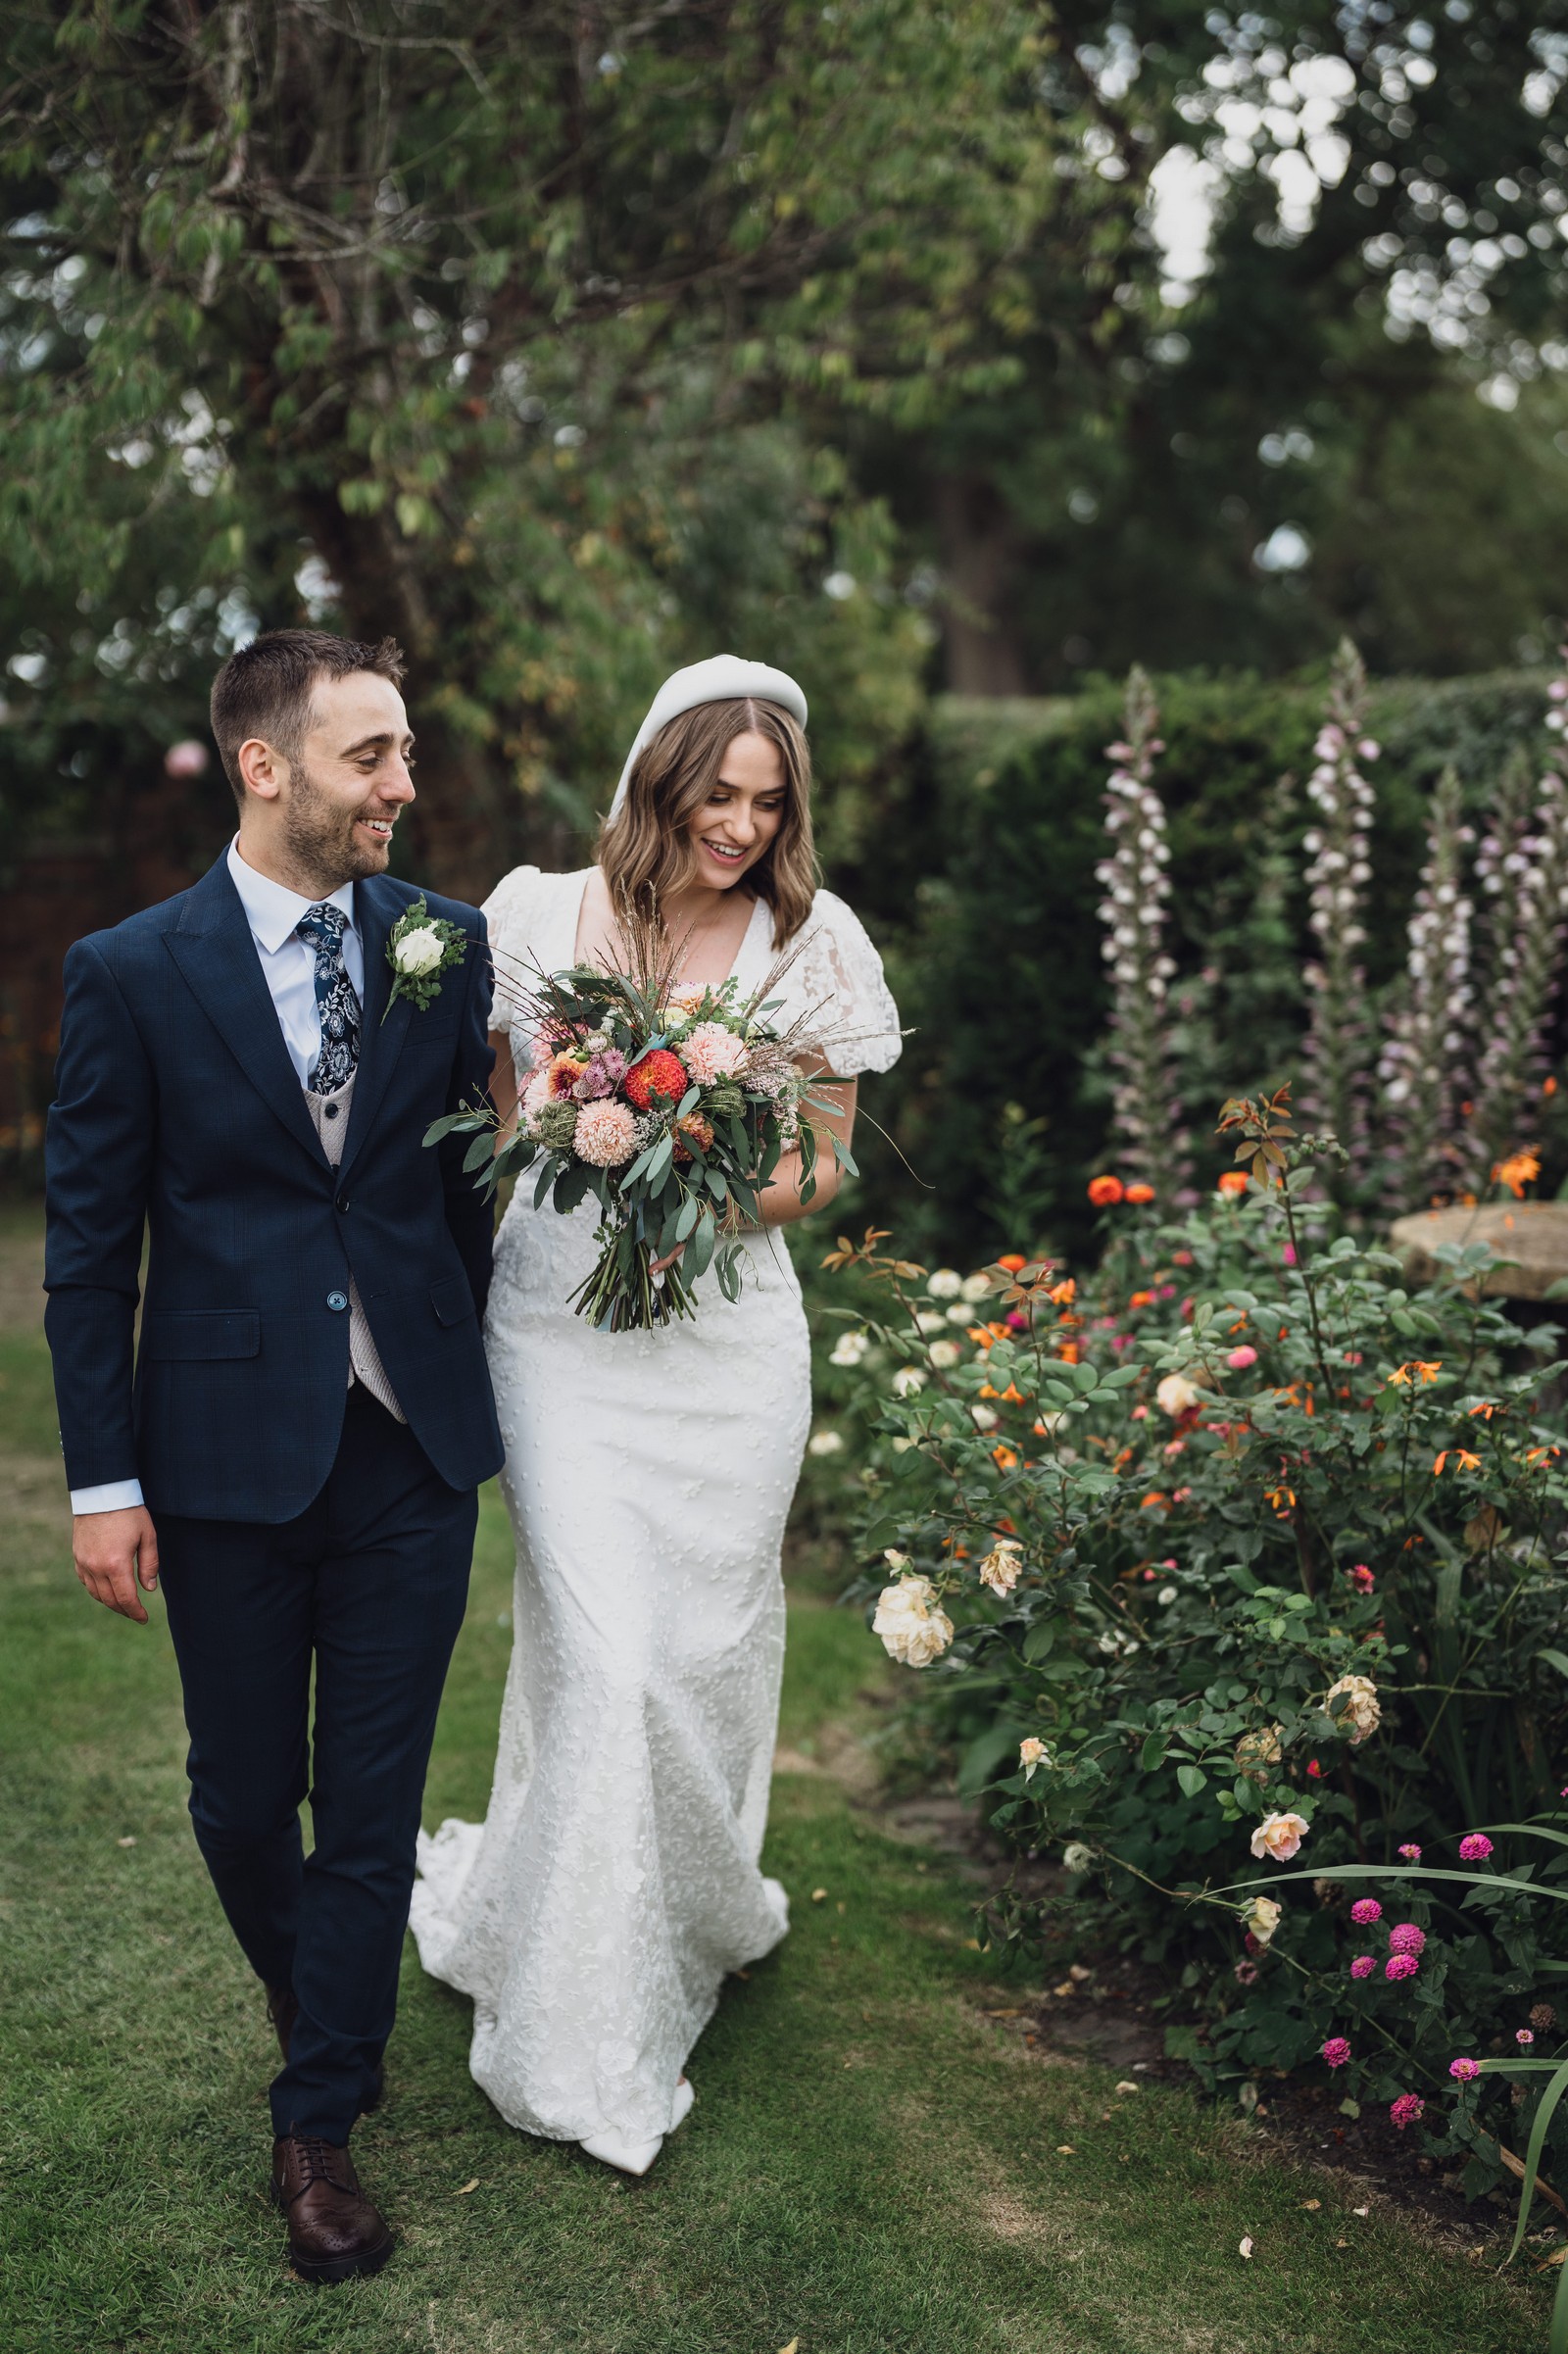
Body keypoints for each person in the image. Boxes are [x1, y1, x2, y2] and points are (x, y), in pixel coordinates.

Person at [43, 630, 502, 2283]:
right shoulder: (134, 970)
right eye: (370, 756)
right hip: (223, 1454)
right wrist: (105, 1484)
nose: (402, 784)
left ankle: (318, 2126)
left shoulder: (445, 945)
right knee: (245, 1802)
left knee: (370, 1809)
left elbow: (458, 1196)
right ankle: (321, 1992)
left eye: (401, 754)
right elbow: (90, 1251)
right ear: (266, 766)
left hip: (408, 1455)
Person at [410, 655, 903, 2175]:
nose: (743, 824)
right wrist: (585, 1138)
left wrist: (696, 1191)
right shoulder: (535, 911)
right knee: (605, 1650)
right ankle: (580, 2025)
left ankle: (693, 1905)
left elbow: (824, 1167)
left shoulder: (811, 942)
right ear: (659, 777)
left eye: (768, 800)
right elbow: (498, 1121)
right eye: (719, 792)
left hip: (725, 1344)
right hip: (559, 1329)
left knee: (701, 1643)